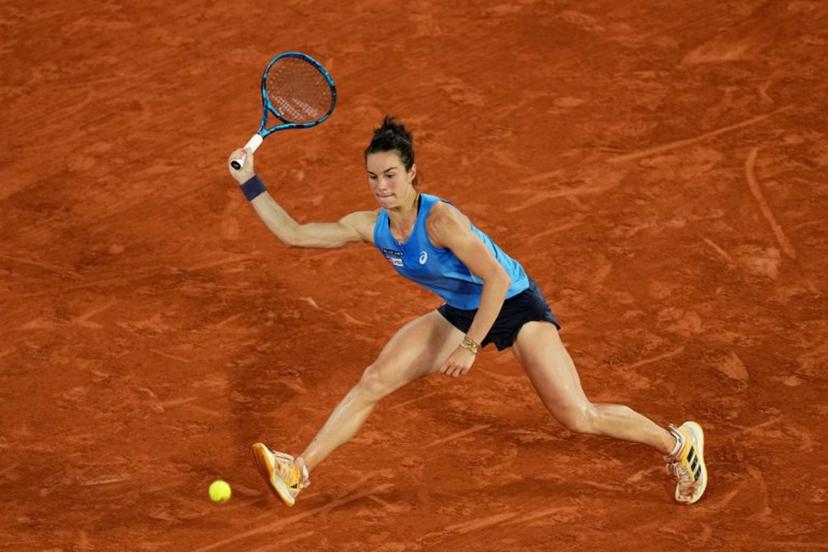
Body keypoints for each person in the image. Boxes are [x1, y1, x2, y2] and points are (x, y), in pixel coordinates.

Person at [227, 116, 708, 507]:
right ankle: (299, 470)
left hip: (516, 306)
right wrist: (249, 182)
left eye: (391, 175)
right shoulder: (369, 226)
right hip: (461, 308)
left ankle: (678, 445)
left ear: (413, 173)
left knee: (577, 416)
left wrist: (471, 344)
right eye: (373, 177)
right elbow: (295, 234)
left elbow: (496, 279)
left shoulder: (441, 221)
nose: (382, 186)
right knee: (375, 379)